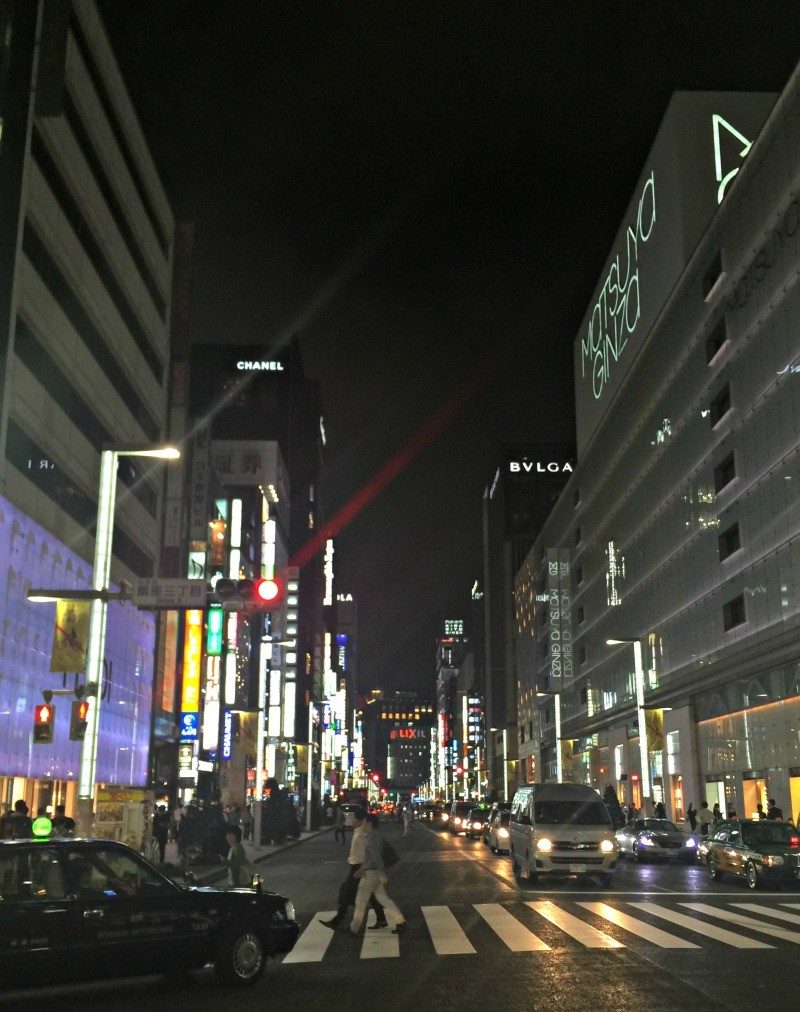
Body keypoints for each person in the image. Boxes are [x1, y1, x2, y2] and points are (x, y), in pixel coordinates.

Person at [319, 807, 385, 930]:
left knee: (347, 891)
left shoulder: (361, 834)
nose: (351, 820)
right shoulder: (358, 832)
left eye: (353, 818)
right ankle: (382, 918)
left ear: (360, 821)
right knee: (372, 894)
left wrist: (363, 868)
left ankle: (339, 921)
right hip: (358, 866)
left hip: (359, 867)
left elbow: (370, 851)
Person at [350, 814, 406, 935]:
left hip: (371, 874)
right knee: (382, 898)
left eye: (364, 822)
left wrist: (378, 872)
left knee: (360, 901)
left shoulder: (372, 838)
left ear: (369, 824)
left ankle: (354, 928)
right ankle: (400, 921)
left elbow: (376, 857)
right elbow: (372, 857)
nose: (362, 824)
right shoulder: (374, 835)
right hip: (372, 872)